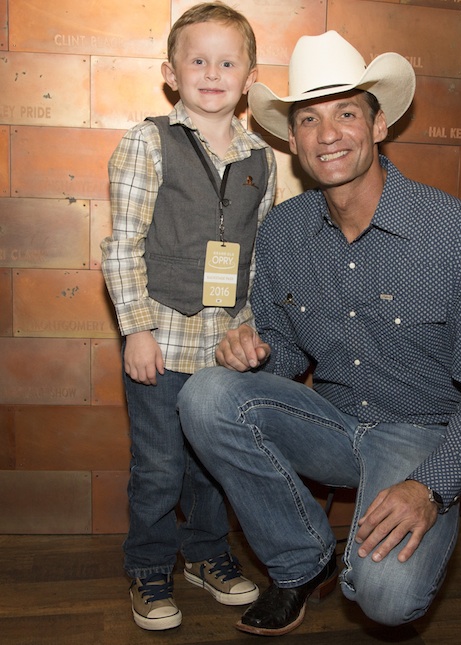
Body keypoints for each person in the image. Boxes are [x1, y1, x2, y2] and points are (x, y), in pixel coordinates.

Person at [177, 30, 461, 636]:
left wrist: (430, 485)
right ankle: (300, 561)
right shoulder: (285, 231)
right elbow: (285, 355)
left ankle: (387, 532)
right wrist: (253, 351)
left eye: (346, 113)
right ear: (292, 139)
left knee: (386, 600)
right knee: (206, 394)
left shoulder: (456, 233)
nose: (328, 134)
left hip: (421, 440)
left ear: (379, 124)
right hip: (333, 426)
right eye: (309, 119)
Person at [100, 2, 276, 631]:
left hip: (221, 348)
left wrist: (248, 328)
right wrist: (136, 328)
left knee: (212, 463)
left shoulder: (262, 158)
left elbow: (254, 257)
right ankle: (149, 569)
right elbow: (122, 242)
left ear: (249, 76)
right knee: (158, 464)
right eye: (196, 60)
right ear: (171, 73)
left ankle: (206, 555)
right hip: (162, 339)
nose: (211, 72)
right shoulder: (148, 142)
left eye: (227, 61)